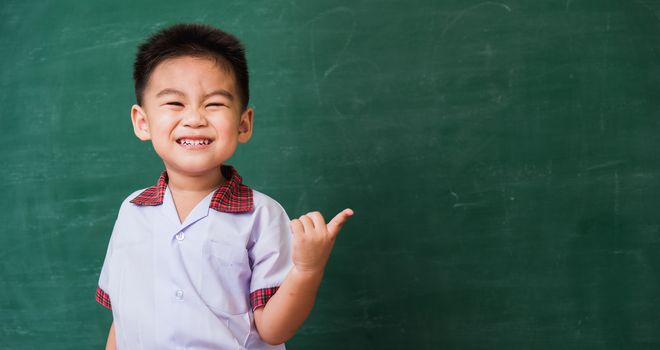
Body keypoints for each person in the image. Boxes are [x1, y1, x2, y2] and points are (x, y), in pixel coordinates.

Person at [96, 23, 353, 349]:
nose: (194, 118)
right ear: (142, 122)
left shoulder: (261, 216)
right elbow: (123, 317)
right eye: (175, 103)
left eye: (214, 103)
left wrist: (307, 269)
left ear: (243, 124)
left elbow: (274, 330)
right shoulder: (132, 211)